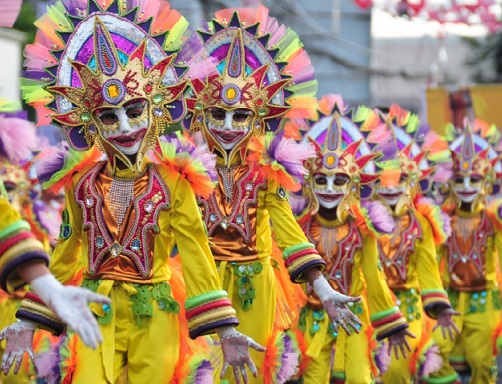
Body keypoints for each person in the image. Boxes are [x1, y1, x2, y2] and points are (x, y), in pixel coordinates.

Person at [1, 1, 266, 383]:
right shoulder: (80, 182)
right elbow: (63, 255)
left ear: (155, 110)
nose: (124, 127)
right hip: (95, 307)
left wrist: (224, 329)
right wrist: (28, 320)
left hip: (156, 312)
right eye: (109, 116)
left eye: (134, 110)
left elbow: (195, 254)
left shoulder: (175, 181)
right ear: (91, 123)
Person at [184, 8, 362, 384]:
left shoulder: (267, 171)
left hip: (255, 286)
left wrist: (323, 287)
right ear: (200, 114)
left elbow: (287, 229)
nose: (229, 126)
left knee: (249, 374)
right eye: (218, 113)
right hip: (200, 282)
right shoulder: (186, 169)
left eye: (240, 116)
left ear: (257, 119)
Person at [290, 96, 413, 384]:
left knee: (359, 378)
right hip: (312, 317)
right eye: (321, 180)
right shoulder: (299, 227)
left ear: (353, 185)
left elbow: (374, 276)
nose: (330, 188)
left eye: (339, 180)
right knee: (314, 378)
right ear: (309, 183)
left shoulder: (362, 228)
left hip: (354, 315)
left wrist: (391, 322)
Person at [365, 106, 458, 383]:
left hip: (407, 306)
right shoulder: (361, 220)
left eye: (400, 179)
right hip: (366, 306)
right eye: (384, 180)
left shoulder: (420, 224)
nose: (392, 188)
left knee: (396, 372)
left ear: (412, 181)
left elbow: (429, 267)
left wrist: (440, 307)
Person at [427, 124, 502, 384]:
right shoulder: (442, 218)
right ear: (451, 183)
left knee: (483, 363)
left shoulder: (493, 219)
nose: (467, 185)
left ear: (486, 182)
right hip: (449, 300)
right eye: (460, 180)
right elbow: (432, 260)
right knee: (433, 354)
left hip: (485, 302)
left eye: (474, 180)